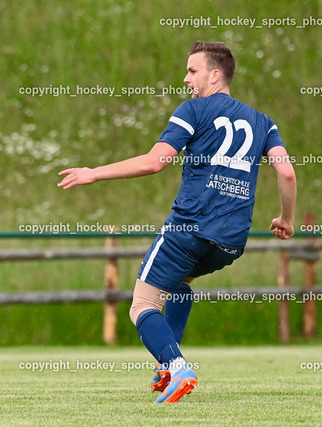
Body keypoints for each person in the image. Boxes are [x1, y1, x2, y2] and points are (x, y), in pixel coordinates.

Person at [58, 41, 297, 403]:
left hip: (189, 229)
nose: (185, 78)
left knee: (142, 306)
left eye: (191, 70)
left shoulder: (194, 110)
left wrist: (94, 173)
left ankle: (177, 365)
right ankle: (167, 368)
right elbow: (287, 173)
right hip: (231, 242)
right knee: (180, 282)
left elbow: (156, 161)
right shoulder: (264, 122)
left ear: (215, 75)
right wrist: (285, 218)